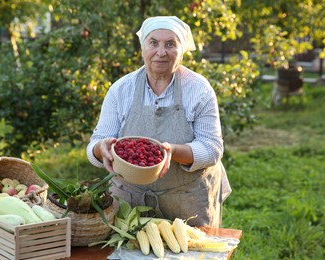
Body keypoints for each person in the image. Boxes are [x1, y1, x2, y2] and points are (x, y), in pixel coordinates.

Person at [87, 16, 231, 228]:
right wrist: (102, 148)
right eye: (153, 43)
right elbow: (96, 144)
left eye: (170, 44)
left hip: (187, 200)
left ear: (181, 51)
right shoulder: (121, 89)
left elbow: (212, 148)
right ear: (142, 47)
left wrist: (171, 152)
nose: (161, 52)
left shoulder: (199, 89)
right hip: (130, 202)